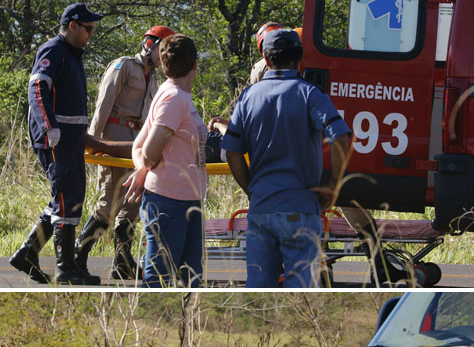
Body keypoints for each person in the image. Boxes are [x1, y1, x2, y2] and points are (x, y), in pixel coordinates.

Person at [221, 28, 352, 287]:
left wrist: (251, 190)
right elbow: (341, 138)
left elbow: (233, 151)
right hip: (301, 209)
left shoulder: (248, 97)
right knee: (300, 292)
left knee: (258, 288)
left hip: (261, 209)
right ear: (300, 56)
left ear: (266, 60)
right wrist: (333, 188)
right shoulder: (310, 94)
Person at [9, 2, 103, 286]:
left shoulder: (73, 55)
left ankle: (28, 253)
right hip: (56, 140)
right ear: (72, 26)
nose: (90, 34)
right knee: (66, 200)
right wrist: (49, 128)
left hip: (71, 141)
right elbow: (37, 88)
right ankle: (66, 270)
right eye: (87, 28)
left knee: (70, 199)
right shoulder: (54, 49)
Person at [75, 25, 175, 280]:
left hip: (135, 142)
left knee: (132, 202)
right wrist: (94, 143)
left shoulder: (154, 80)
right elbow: (103, 104)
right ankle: (79, 256)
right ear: (150, 45)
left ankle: (122, 262)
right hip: (113, 134)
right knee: (109, 201)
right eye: (162, 49)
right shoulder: (123, 66)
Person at [125, 34, 208, 288]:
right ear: (195, 64)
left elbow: (137, 148)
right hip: (169, 203)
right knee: (158, 281)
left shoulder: (172, 94)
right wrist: (146, 168)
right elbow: (148, 151)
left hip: (185, 200)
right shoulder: (174, 99)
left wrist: (142, 172)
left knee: (191, 280)